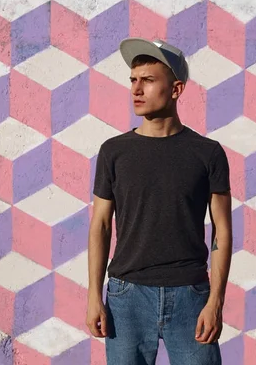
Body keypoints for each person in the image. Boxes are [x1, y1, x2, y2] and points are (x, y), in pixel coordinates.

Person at [86, 37, 233, 365]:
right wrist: (94, 295)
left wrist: (216, 302)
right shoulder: (114, 151)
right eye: (133, 80)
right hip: (127, 296)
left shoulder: (208, 153)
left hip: (191, 295)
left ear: (176, 89)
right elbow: (100, 225)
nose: (136, 89)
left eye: (148, 80)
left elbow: (222, 232)